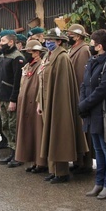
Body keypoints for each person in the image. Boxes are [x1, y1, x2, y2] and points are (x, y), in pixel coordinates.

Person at [37, 28, 88, 184]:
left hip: (58, 103)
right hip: (47, 101)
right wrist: (40, 101)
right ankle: (54, 170)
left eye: (51, 40)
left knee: (58, 134)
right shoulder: (48, 55)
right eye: (46, 40)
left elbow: (63, 86)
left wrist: (57, 104)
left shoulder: (62, 57)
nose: (47, 43)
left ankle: (62, 172)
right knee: (50, 135)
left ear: (59, 41)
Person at [79, 29, 106, 199]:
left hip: (103, 112)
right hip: (91, 111)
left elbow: (102, 89)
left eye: (91, 43)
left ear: (100, 46)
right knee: (97, 148)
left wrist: (85, 104)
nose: (89, 46)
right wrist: (83, 102)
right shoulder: (92, 60)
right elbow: (85, 84)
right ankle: (99, 182)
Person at [15, 40, 47, 173]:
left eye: (29, 52)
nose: (27, 54)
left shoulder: (41, 66)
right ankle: (33, 160)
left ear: (37, 53)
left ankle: (41, 162)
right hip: (26, 105)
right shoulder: (28, 66)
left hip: (35, 105)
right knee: (29, 133)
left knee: (38, 132)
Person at [0, 30, 25, 167]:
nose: (1, 44)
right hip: (2, 97)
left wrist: (13, 100)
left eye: (3, 41)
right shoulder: (3, 57)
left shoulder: (17, 58)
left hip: (11, 98)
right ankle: (11, 152)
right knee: (5, 125)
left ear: (11, 42)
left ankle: (17, 154)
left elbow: (17, 82)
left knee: (13, 126)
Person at [67, 24, 94, 175]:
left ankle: (86, 163)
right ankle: (78, 161)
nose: (68, 36)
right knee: (78, 130)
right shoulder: (72, 49)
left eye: (70, 34)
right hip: (74, 94)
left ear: (77, 36)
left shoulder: (83, 50)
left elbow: (82, 76)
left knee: (84, 131)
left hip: (80, 95)